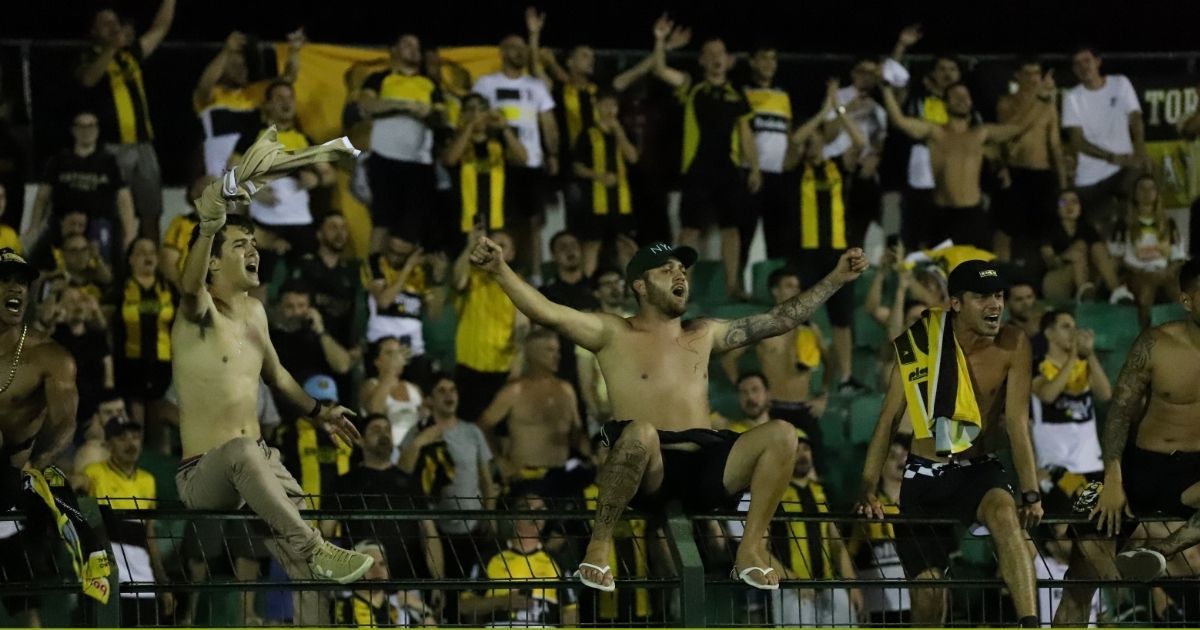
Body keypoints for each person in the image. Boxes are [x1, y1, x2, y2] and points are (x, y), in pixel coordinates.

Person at [468, 235, 866, 591]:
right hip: (650, 467)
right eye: (667, 269)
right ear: (640, 286)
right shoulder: (613, 332)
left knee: (783, 433)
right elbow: (546, 312)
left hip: (707, 465)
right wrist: (500, 269)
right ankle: (598, 547)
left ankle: (749, 551)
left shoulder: (704, 332)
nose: (680, 275)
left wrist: (835, 278)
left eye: (683, 270)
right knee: (640, 431)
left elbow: (782, 319)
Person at [172, 169, 374, 625]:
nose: (253, 250)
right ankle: (314, 548)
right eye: (239, 245)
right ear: (212, 263)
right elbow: (188, 287)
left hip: (258, 464)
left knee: (309, 569)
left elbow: (279, 377)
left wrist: (319, 412)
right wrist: (209, 225)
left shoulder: (257, 312)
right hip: (204, 474)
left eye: (254, 243)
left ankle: (314, 583)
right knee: (245, 453)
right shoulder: (197, 314)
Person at [855, 259, 1044, 627]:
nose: (995, 305)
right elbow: (888, 420)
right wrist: (867, 486)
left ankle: (1030, 624)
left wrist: (1031, 492)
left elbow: (1018, 423)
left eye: (998, 295)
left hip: (979, 470)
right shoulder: (918, 344)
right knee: (929, 595)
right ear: (956, 303)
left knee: (1005, 516)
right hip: (925, 476)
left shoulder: (1014, 343)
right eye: (982, 297)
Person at [1090, 258, 1200, 583]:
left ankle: (1161, 551)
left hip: (1193, 477)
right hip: (1142, 469)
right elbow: (1120, 412)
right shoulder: (1155, 343)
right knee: (1081, 573)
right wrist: (1113, 478)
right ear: (1187, 301)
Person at [882, 74, 1056, 249]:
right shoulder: (935, 132)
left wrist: (1041, 98)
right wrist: (886, 88)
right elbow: (899, 121)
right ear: (946, 103)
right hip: (943, 215)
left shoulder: (980, 134)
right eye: (956, 96)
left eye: (966, 96)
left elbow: (1019, 127)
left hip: (973, 215)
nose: (962, 100)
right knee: (941, 265)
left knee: (983, 265)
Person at [655, 37, 760, 300]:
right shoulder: (692, 86)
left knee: (731, 229)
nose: (716, 58)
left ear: (728, 61)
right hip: (697, 169)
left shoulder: (737, 94)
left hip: (728, 169)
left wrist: (755, 167)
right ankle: (682, 287)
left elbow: (745, 133)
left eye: (720, 53)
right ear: (702, 61)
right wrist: (660, 42)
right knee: (690, 230)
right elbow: (659, 69)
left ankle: (733, 286)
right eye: (710, 53)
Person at [784, 80, 869, 394]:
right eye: (811, 140)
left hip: (837, 253)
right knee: (799, 312)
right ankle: (799, 371)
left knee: (842, 318)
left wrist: (839, 111)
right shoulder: (795, 168)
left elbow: (860, 143)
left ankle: (845, 377)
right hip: (804, 253)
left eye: (817, 139)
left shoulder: (837, 167)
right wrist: (823, 112)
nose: (812, 144)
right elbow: (795, 139)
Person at [76, 1, 176, 239]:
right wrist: (112, 47)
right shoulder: (89, 56)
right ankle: (120, 259)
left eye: (115, 22)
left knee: (151, 211)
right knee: (118, 213)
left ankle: (150, 259)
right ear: (93, 31)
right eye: (105, 23)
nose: (113, 27)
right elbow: (88, 79)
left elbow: (160, 28)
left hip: (143, 145)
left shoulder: (131, 55)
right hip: (112, 148)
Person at [472, 29, 560, 275]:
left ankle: (534, 277)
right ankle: (490, 275)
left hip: (530, 163)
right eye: (514, 48)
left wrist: (552, 153)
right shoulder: (486, 84)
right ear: (502, 53)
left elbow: (548, 122)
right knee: (498, 222)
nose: (519, 53)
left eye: (523, 48)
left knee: (532, 223)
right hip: (496, 164)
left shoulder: (536, 86)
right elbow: (474, 117)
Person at [758, 429, 862, 626]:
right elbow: (759, 549)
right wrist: (792, 580)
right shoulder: (772, 494)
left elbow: (837, 544)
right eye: (796, 450)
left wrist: (852, 584)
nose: (802, 454)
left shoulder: (822, 492)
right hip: (789, 590)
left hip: (828, 584)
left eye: (806, 449)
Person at [398, 374, 497, 579]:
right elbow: (402, 471)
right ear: (430, 400)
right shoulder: (418, 432)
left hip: (472, 526)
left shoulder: (472, 432)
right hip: (435, 530)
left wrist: (491, 514)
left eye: (453, 390)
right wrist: (420, 442)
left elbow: (486, 479)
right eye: (442, 391)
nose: (449, 395)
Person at [0, 248, 78, 509]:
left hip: (18, 471)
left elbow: (64, 423)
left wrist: (38, 463)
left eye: (22, 282)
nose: (15, 288)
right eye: (4, 280)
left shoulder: (49, 356)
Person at [83, 416, 174, 625]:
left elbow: (149, 534)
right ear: (108, 444)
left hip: (141, 574)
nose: (131, 443)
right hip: (108, 573)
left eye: (135, 437)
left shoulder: (147, 480)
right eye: (122, 438)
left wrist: (162, 582)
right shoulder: (94, 473)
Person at [230, 81, 335, 261]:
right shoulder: (253, 136)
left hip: (300, 222)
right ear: (268, 105)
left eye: (290, 97)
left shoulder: (304, 140)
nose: (286, 102)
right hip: (264, 223)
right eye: (279, 98)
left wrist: (316, 179)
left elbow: (330, 175)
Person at [479, 328, 590, 496]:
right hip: (526, 478)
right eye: (550, 350)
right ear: (533, 354)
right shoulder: (515, 391)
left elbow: (576, 434)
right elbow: (482, 425)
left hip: (561, 476)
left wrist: (593, 453)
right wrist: (500, 461)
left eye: (558, 351)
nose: (557, 356)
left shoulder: (566, 390)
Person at [359, 33, 443, 249]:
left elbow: (440, 117)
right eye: (407, 45)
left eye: (417, 46)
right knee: (383, 220)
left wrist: (429, 113)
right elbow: (367, 105)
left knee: (416, 221)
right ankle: (374, 267)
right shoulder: (379, 78)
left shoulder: (429, 84)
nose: (414, 49)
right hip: (384, 159)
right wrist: (404, 106)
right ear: (393, 50)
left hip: (419, 162)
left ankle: (413, 269)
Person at [720, 269, 829, 419]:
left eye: (797, 287)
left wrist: (823, 396)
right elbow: (728, 360)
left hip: (804, 407)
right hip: (772, 407)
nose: (796, 291)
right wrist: (746, 391)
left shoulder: (811, 329)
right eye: (789, 286)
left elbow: (831, 363)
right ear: (775, 291)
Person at [1063, 46, 1147, 238]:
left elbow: (1135, 118)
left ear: (1098, 62)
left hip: (1123, 169)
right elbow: (1077, 141)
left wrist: (1140, 150)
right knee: (1094, 230)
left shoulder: (1120, 83)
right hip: (1089, 177)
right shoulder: (1072, 97)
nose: (1083, 67)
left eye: (1087, 61)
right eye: (1077, 64)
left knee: (1142, 180)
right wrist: (1111, 157)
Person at [194, 29, 305, 176]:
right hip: (218, 179)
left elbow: (287, 79)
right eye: (236, 66)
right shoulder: (212, 96)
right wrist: (226, 51)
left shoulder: (256, 93)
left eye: (246, 65)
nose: (242, 69)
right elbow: (204, 85)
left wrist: (294, 51)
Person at [28, 112, 136, 260]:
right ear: (74, 130)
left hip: (99, 222)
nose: (86, 131)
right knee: (38, 257)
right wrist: (34, 227)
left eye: (91, 126)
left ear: (97, 130)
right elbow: (42, 196)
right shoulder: (58, 160)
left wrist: (129, 233)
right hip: (64, 221)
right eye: (82, 126)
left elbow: (124, 199)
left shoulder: (110, 162)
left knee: (108, 257)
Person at [459, 494, 579, 626]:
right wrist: (501, 601)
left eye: (541, 510)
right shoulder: (490, 557)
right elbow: (464, 605)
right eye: (528, 509)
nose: (535, 515)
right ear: (514, 517)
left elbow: (570, 611)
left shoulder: (556, 561)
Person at [992, 56, 1068, 262]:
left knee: (1046, 235)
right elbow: (1012, 130)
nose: (1033, 78)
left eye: (1037, 73)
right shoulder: (1007, 102)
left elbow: (1055, 145)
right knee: (1004, 231)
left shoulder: (1048, 106)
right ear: (1017, 75)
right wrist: (1039, 98)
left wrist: (1063, 183)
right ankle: (998, 277)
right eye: (1028, 73)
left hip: (1043, 173)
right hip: (1016, 172)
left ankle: (1048, 277)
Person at [107, 238, 177, 453]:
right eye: (141, 252)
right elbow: (108, 324)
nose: (148, 256)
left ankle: (161, 453)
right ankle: (136, 451)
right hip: (129, 360)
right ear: (131, 259)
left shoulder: (168, 289)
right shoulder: (121, 288)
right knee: (135, 408)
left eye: (152, 252)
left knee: (158, 407)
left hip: (162, 359)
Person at [452, 229, 526, 423]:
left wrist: (518, 358)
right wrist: (470, 246)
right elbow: (457, 281)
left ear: (511, 254)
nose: (495, 248)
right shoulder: (472, 276)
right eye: (492, 244)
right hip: (468, 366)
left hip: (501, 369)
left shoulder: (517, 283)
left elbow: (521, 324)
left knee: (494, 426)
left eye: (502, 245)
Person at [440, 92, 529, 248]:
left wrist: (504, 127)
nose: (476, 114)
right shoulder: (454, 140)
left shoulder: (500, 140)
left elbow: (523, 158)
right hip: (464, 221)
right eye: (470, 109)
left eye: (481, 109)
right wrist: (469, 127)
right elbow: (450, 159)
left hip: (500, 220)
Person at [571, 92, 640, 276]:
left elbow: (633, 157)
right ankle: (587, 285)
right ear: (598, 106)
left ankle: (630, 286)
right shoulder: (587, 133)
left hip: (622, 201)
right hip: (595, 200)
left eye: (614, 105)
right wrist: (598, 176)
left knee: (625, 244)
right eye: (606, 104)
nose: (610, 110)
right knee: (592, 244)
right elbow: (577, 167)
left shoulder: (624, 131)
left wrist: (619, 132)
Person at [847, 436, 911, 625]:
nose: (901, 460)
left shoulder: (917, 504)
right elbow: (850, 552)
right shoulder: (866, 507)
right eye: (893, 456)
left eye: (905, 455)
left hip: (913, 599)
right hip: (877, 601)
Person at [1108, 174, 1185, 327]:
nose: (1147, 192)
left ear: (1157, 194)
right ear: (1135, 194)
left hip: (1164, 272)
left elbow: (1178, 257)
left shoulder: (1169, 223)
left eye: (1151, 189)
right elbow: (1117, 257)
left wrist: (1167, 271)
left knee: (1181, 294)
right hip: (1136, 273)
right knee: (1146, 292)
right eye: (1142, 189)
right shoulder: (1123, 224)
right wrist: (1138, 271)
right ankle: (1145, 333)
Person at [742, 43, 794, 260]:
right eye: (764, 57)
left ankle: (778, 280)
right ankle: (737, 279)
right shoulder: (744, 93)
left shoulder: (783, 96)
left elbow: (788, 132)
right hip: (751, 173)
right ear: (752, 62)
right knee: (745, 234)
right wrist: (753, 168)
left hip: (778, 175)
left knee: (778, 238)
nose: (769, 63)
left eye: (773, 58)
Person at [289, 212, 367, 352]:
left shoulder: (352, 271)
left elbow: (358, 311)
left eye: (343, 228)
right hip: (306, 346)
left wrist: (358, 344)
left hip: (341, 349)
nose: (340, 233)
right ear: (319, 234)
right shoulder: (305, 266)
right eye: (333, 227)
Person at [1040, 188, 1128, 303]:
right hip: (1059, 276)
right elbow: (1049, 261)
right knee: (1079, 250)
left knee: (1096, 248)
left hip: (1088, 275)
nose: (1069, 206)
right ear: (1057, 208)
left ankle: (1118, 292)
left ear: (1080, 208)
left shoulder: (1088, 230)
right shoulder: (1049, 230)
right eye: (1063, 202)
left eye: (1074, 202)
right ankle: (1084, 293)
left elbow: (1102, 255)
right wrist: (1065, 256)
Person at [575, 267, 631, 433]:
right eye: (607, 284)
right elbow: (585, 378)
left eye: (618, 282)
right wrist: (597, 413)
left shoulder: (637, 323)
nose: (615, 287)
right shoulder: (589, 327)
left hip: (635, 408)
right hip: (603, 412)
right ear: (597, 293)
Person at [49, 285, 113, 428]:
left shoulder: (97, 338)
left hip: (94, 413)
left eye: (81, 300)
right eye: (71, 301)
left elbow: (109, 379)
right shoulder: (55, 339)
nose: (77, 305)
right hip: (64, 414)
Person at [268, 282, 353, 385]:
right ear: (280, 307)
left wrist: (321, 332)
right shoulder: (270, 332)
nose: (296, 312)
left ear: (310, 307)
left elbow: (343, 367)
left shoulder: (321, 331)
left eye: (301, 306)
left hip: (317, 387)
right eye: (289, 306)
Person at [359, 337, 424, 454]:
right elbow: (374, 413)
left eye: (398, 353)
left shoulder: (414, 388)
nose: (396, 358)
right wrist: (391, 371)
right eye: (389, 353)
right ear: (377, 361)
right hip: (384, 450)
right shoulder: (370, 386)